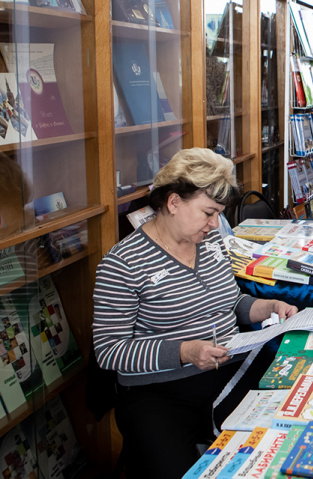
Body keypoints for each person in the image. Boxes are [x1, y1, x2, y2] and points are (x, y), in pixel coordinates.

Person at [93, 148, 298, 479]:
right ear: (174, 203)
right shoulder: (123, 264)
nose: (215, 224)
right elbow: (109, 350)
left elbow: (231, 303)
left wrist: (269, 307)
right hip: (160, 395)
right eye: (208, 213)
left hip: (227, 372)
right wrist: (185, 351)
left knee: (282, 444)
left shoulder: (212, 241)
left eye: (218, 214)